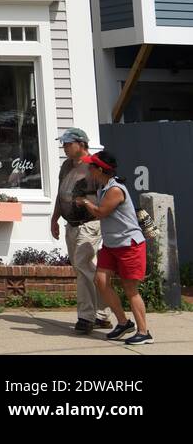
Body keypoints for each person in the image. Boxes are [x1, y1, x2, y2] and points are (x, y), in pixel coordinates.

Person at [75, 150, 152, 345]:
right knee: (100, 281)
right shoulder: (103, 188)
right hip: (111, 245)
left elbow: (101, 212)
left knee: (130, 288)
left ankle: (144, 332)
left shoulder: (115, 189)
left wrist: (84, 202)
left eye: (91, 166)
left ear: (100, 169)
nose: (89, 169)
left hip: (129, 245)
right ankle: (124, 323)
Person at [50, 127, 109, 334]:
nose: (64, 147)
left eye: (67, 143)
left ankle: (86, 317)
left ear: (81, 144)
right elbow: (60, 194)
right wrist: (54, 218)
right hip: (71, 225)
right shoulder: (66, 166)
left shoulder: (94, 166)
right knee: (84, 270)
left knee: (84, 267)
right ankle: (101, 313)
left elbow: (107, 194)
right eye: (63, 144)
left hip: (89, 224)